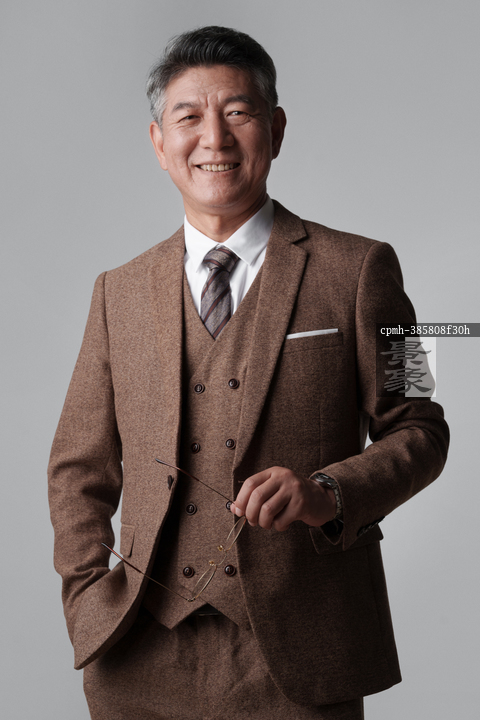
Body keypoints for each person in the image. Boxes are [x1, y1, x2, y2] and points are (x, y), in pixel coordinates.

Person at [48, 26, 449, 720]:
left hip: (304, 659)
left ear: (276, 129)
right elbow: (76, 466)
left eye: (237, 112)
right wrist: (87, 597)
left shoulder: (365, 267)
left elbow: (422, 429)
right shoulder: (116, 291)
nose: (215, 138)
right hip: (137, 657)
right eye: (189, 117)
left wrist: (328, 492)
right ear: (159, 143)